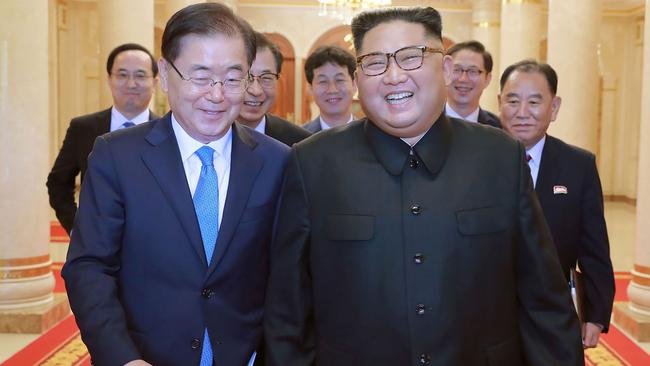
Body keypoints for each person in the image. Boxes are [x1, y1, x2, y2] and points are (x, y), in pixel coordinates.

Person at [265, 7, 583, 366]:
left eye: (411, 57)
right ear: (358, 79)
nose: (394, 75)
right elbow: (287, 313)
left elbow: (544, 300)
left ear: (446, 68)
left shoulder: (500, 157)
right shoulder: (312, 163)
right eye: (374, 62)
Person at [62, 3, 289, 366]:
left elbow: (287, 276)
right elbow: (89, 267)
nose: (217, 95)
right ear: (166, 75)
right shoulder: (116, 156)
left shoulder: (277, 161)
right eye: (200, 77)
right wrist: (123, 358)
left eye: (233, 78)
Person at [498, 59, 615, 349]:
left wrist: (596, 315)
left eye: (535, 102)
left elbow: (594, 247)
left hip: (554, 309)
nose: (522, 113)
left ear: (555, 107)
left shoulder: (579, 165)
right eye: (512, 101)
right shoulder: (474, 162)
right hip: (489, 310)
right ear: (500, 103)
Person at [46, 43, 160, 235]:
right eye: (122, 75)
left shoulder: (169, 132)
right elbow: (58, 183)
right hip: (97, 246)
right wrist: (76, 227)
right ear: (109, 79)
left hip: (155, 245)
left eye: (140, 75)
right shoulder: (83, 129)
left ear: (155, 82)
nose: (131, 84)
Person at [237, 32, 311, 146]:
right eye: (247, 77)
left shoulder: (300, 143)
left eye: (266, 77)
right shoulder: (205, 136)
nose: (256, 90)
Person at [445, 40, 500, 128]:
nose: (463, 79)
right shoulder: (425, 123)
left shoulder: (498, 127)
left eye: (473, 71)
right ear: (445, 73)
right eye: (457, 69)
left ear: (488, 79)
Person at [302, 45, 357, 133]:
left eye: (339, 80)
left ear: (354, 85)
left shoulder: (372, 137)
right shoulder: (298, 139)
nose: (332, 90)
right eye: (323, 81)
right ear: (310, 88)